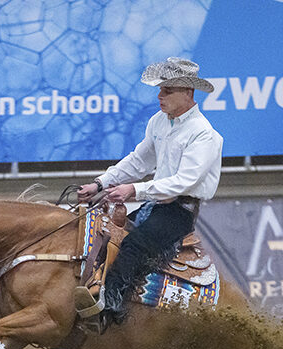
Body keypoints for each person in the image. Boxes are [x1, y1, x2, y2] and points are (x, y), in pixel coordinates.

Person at [78, 57, 223, 331]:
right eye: (160, 89)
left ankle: (110, 309)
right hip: (153, 204)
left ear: (188, 93)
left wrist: (134, 189)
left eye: (167, 90)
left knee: (134, 245)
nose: (159, 95)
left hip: (178, 213)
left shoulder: (204, 135)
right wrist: (100, 183)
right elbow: (138, 161)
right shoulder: (159, 122)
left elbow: (183, 182)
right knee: (104, 234)